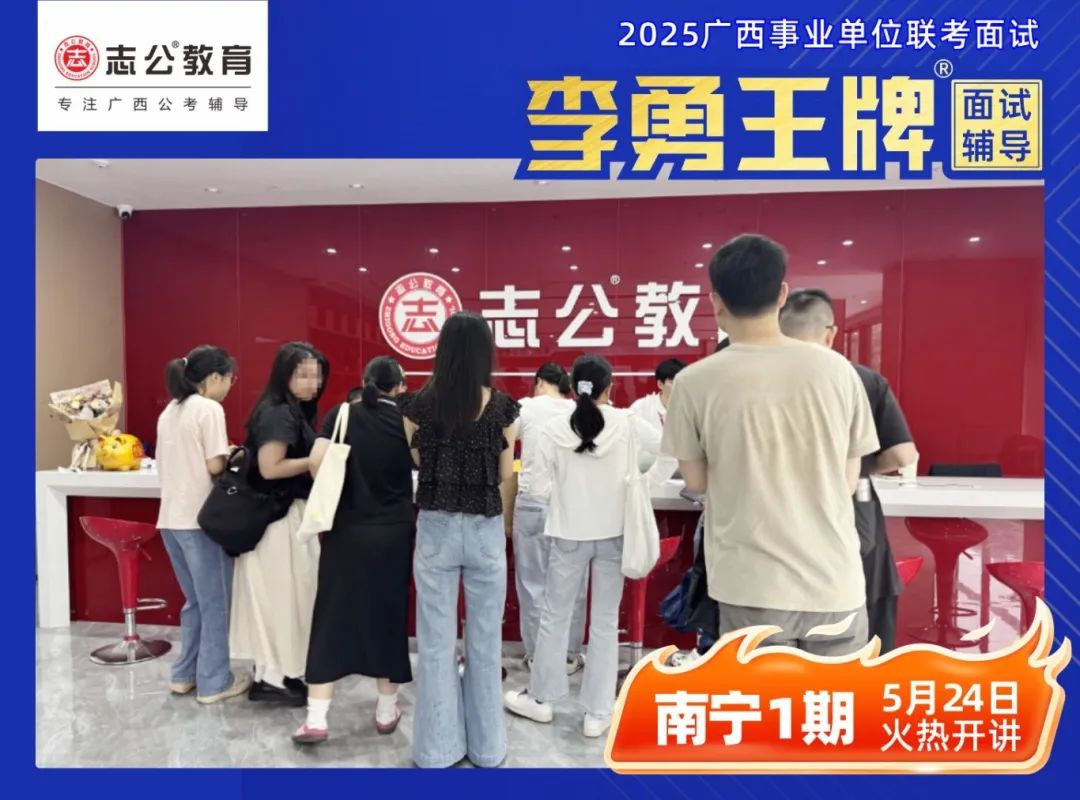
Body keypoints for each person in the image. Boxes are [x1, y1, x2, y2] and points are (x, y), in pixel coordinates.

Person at [662, 234, 879, 656]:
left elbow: (697, 481)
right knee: (833, 700)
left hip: (750, 588)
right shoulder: (838, 370)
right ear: (782, 294)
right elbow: (848, 479)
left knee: (760, 701)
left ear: (716, 301)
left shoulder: (693, 382)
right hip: (835, 583)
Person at [504, 355, 660, 739]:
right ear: (610, 387)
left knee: (554, 616)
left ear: (573, 388)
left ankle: (542, 699)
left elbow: (539, 487)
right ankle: (597, 712)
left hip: (568, 533)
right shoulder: (627, 423)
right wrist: (634, 477)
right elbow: (661, 449)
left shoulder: (555, 428)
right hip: (613, 535)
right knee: (604, 623)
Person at [403, 311, 520, 769]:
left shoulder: (415, 407)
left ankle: (436, 751)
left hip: (435, 526)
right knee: (485, 641)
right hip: (485, 529)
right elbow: (506, 473)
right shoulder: (504, 408)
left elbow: (418, 462)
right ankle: (488, 749)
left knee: (435, 642)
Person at [779, 288, 918, 652]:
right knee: (860, 640)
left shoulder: (760, 381)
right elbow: (903, 454)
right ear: (830, 334)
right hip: (855, 517)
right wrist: (866, 465)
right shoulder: (862, 379)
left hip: (780, 528)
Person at [293, 356, 414, 744]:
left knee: (331, 616)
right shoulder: (408, 419)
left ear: (365, 381)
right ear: (401, 386)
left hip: (345, 531)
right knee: (388, 618)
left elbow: (316, 463)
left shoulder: (341, 414)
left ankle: (317, 719)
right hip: (393, 534)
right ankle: (385, 710)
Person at [230, 342, 329, 706]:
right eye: (303, 375)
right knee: (281, 598)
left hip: (281, 517)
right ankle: (272, 676)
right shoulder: (278, 413)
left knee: (282, 597)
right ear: (284, 375)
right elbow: (271, 468)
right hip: (276, 521)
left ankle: (273, 674)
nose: (312, 383)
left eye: (316, 375)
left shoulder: (287, 409)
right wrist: (317, 460)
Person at [155, 345, 251, 704]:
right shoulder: (209, 408)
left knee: (194, 602)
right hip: (202, 522)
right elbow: (214, 466)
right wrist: (232, 454)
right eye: (229, 379)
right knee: (215, 604)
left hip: (171, 520)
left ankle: (184, 674)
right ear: (213, 377)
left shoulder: (170, 410)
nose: (229, 387)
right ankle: (214, 682)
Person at [514, 362, 587, 675]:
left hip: (533, 502)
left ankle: (537, 656)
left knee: (533, 585)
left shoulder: (526, 408)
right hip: (572, 506)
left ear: (540, 382)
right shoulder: (580, 411)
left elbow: (504, 440)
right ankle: (569, 656)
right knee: (573, 586)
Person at [630, 359, 685, 485]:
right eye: (673, 381)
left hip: (684, 477)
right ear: (660, 384)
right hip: (647, 476)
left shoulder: (692, 409)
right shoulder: (641, 408)